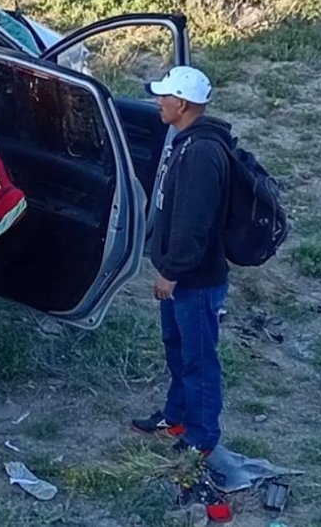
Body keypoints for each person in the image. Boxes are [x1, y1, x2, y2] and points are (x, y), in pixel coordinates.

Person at [129, 66, 231, 457]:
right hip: (185, 277)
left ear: (182, 103)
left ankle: (202, 437)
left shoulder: (202, 153)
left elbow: (195, 222)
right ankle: (177, 415)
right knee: (178, 349)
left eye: (164, 96)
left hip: (195, 280)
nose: (158, 102)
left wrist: (171, 272)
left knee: (199, 359)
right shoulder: (185, 140)